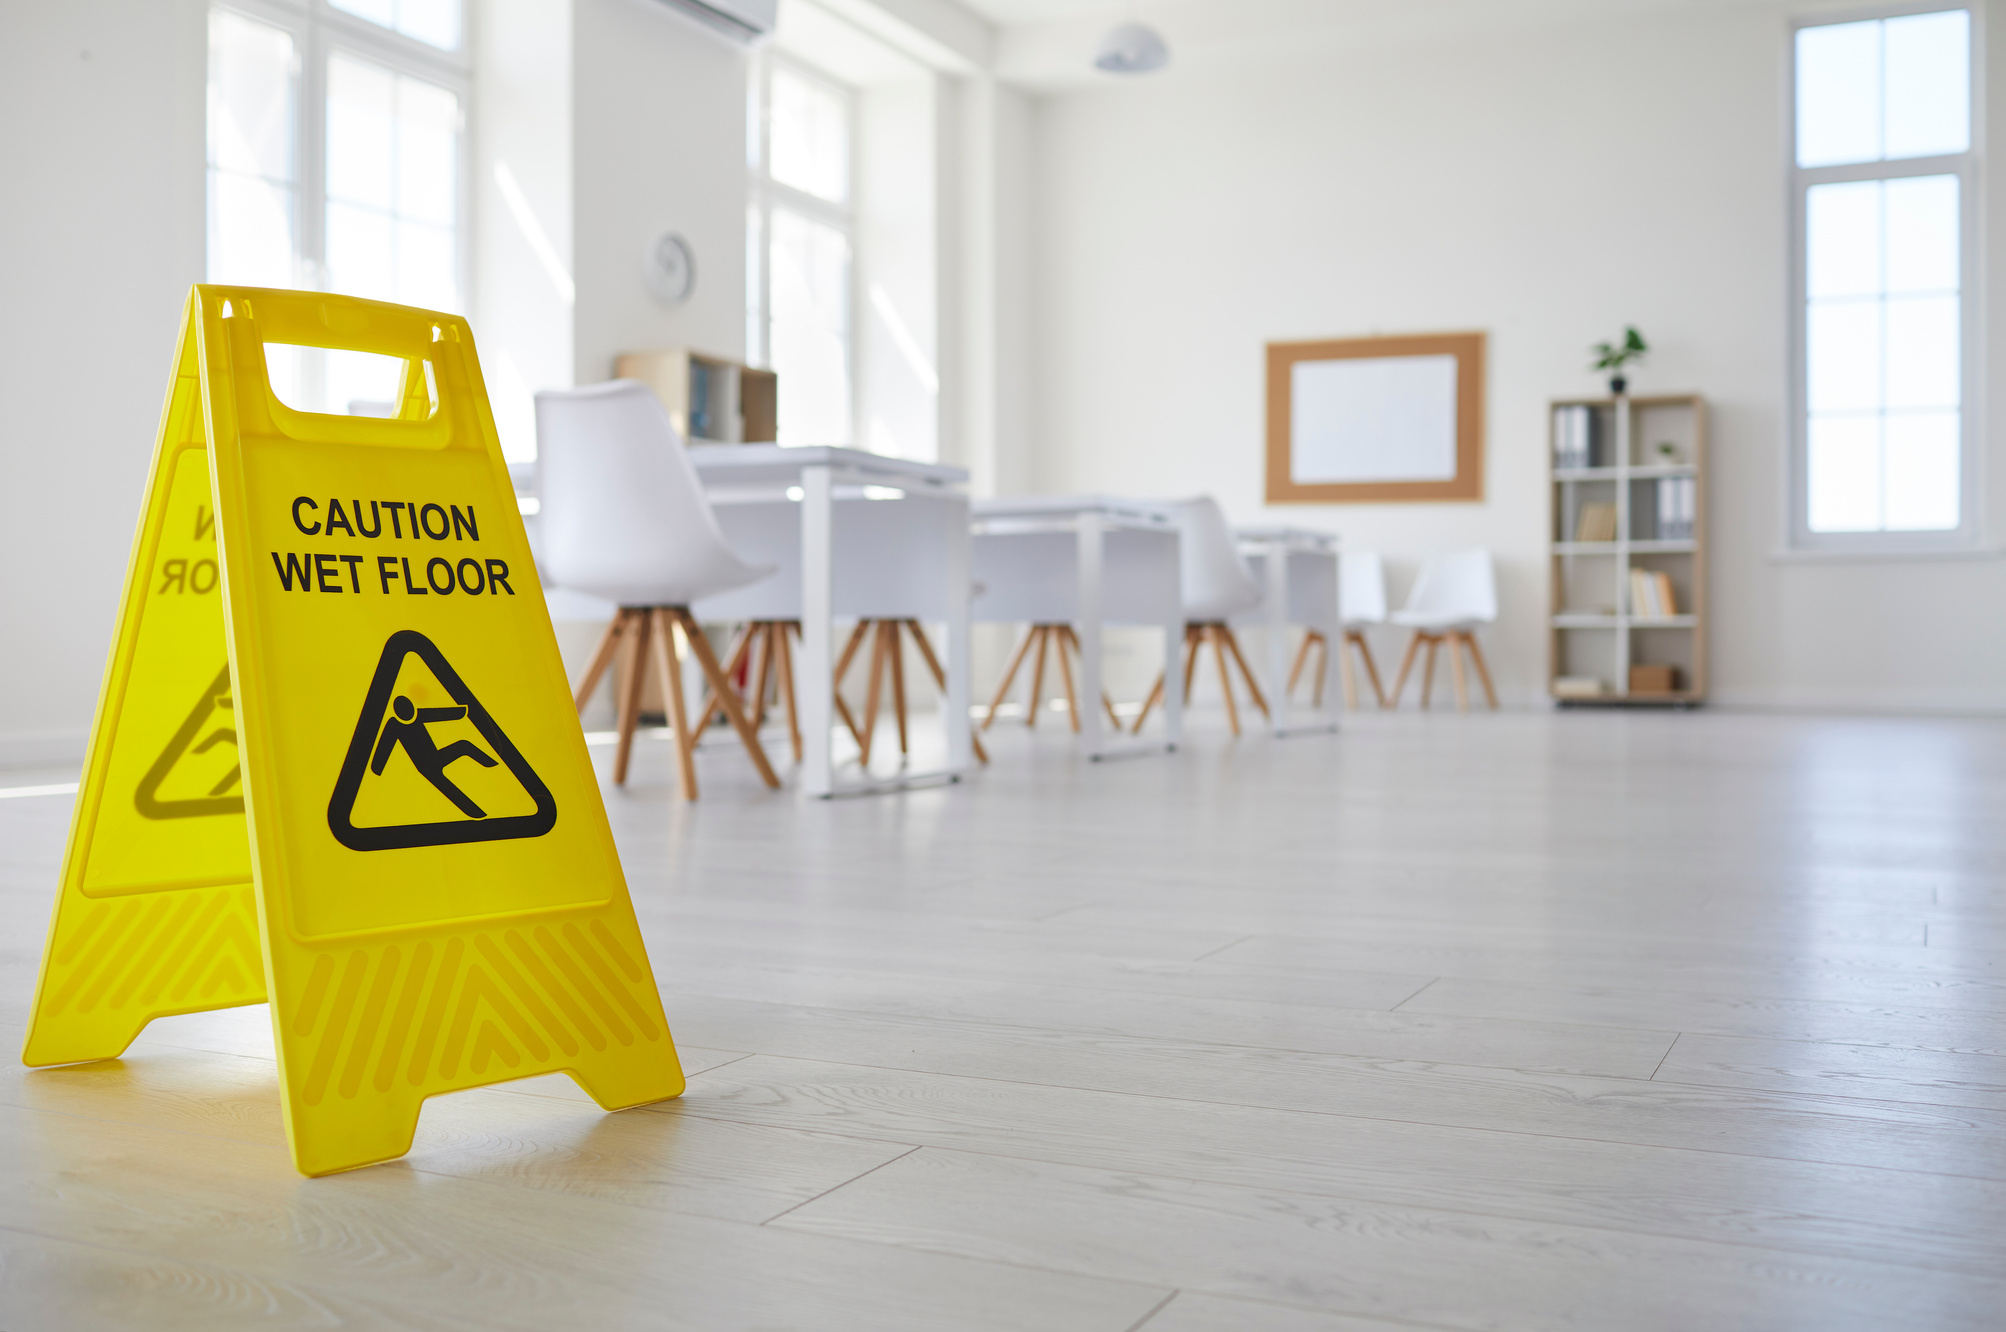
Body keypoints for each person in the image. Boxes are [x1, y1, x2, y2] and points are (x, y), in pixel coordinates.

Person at [369, 695, 498, 818]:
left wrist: (463, 711)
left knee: (463, 746)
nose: (408, 711)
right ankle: (475, 812)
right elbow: (384, 746)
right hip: (425, 766)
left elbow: (440, 714)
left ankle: (493, 765)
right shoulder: (394, 725)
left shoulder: (418, 715)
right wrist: (377, 769)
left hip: (436, 756)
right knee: (448, 787)